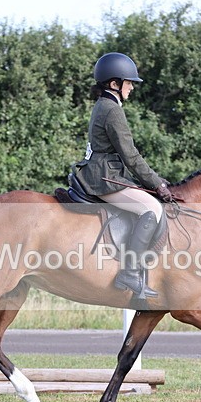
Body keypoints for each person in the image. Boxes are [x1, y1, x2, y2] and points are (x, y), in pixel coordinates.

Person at [72, 52, 173, 299]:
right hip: (103, 177)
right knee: (152, 210)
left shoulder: (104, 105)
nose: (131, 88)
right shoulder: (112, 110)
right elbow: (130, 155)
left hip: (101, 172)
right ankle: (129, 272)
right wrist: (156, 183)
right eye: (128, 83)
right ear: (114, 83)